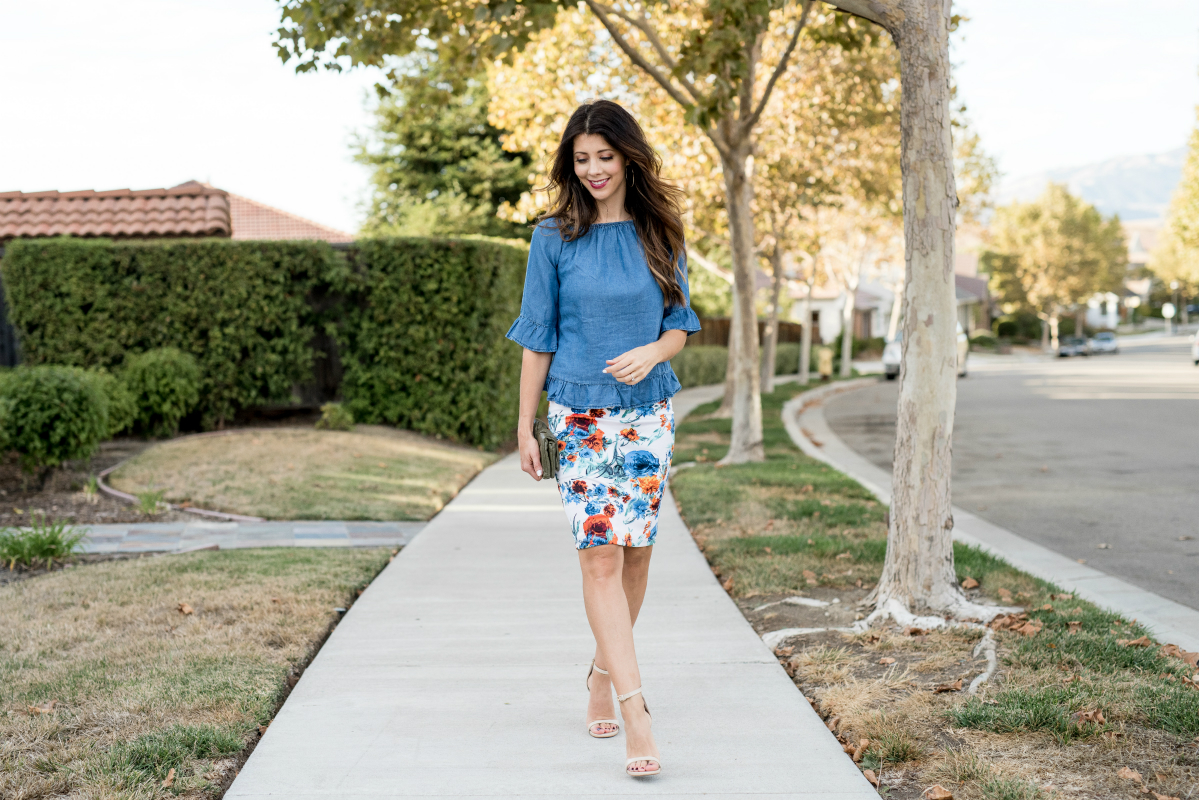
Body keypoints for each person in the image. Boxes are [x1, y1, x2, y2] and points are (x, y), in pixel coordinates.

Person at [506, 99, 701, 779]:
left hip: (646, 412)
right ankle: (635, 710)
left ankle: (597, 672)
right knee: (599, 560)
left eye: (604, 157)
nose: (592, 169)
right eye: (580, 158)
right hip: (579, 415)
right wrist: (526, 425)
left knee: (637, 556)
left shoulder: (659, 232)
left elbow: (680, 323)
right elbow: (537, 337)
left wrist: (652, 353)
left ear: (627, 157)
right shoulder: (551, 238)